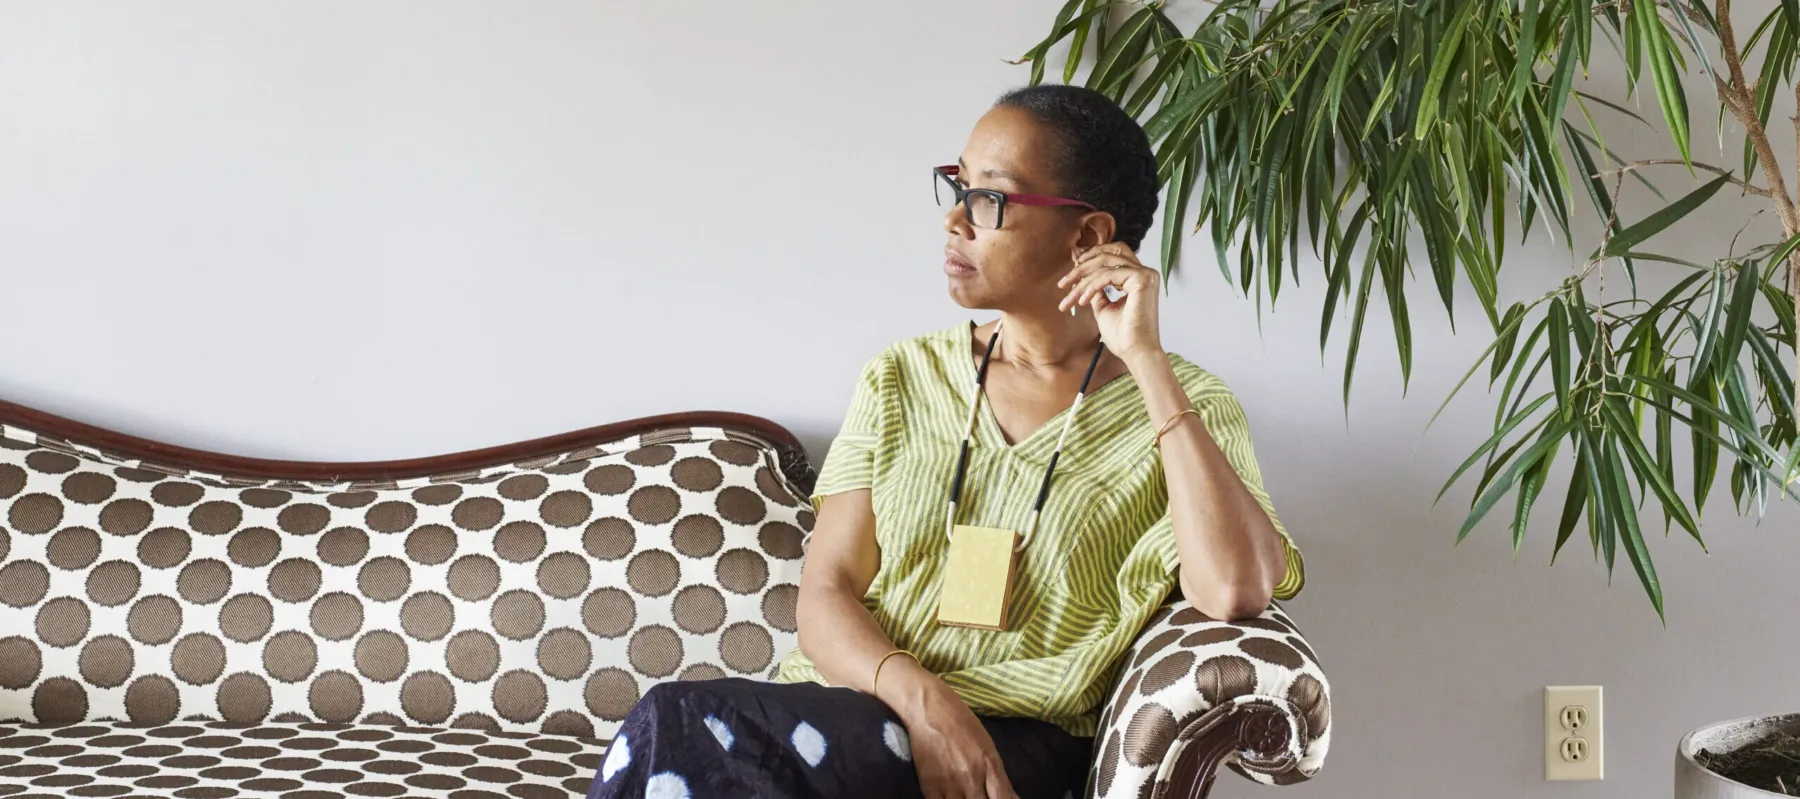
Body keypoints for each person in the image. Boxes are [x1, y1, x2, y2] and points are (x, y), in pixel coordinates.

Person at [586, 83, 1303, 799]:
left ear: (1086, 237)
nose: (954, 220)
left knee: (680, 727)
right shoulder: (899, 377)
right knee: (680, 729)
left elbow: (1235, 588)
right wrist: (927, 705)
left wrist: (1146, 359)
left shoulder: (1184, 403)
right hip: (870, 707)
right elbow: (824, 594)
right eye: (957, 187)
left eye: (990, 198)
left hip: (1018, 746)